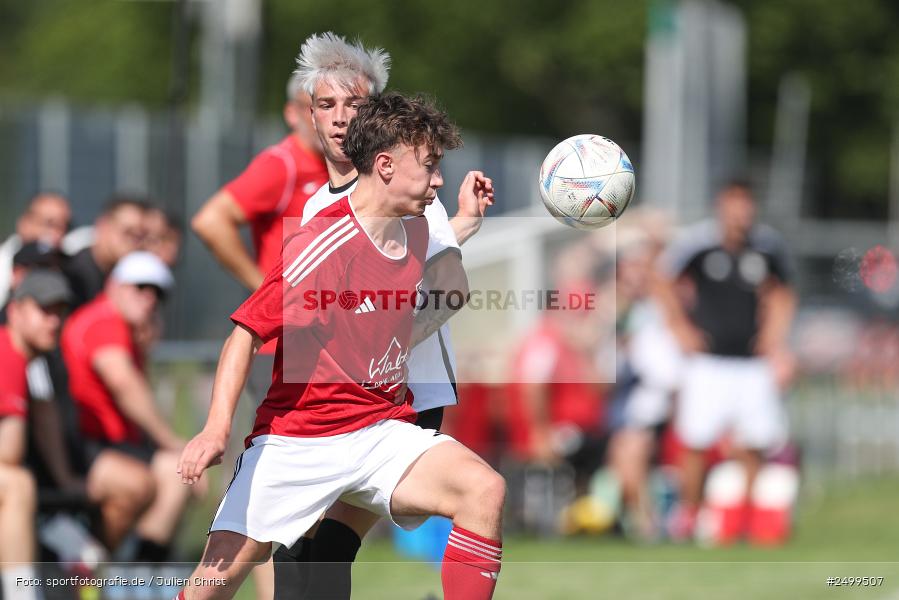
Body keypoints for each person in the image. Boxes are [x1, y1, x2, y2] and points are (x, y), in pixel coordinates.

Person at [176, 92, 504, 600]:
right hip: (300, 443)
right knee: (210, 586)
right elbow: (244, 333)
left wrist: (466, 221)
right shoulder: (322, 244)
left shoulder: (417, 225)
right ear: (386, 165)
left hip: (379, 429)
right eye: (429, 166)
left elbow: (445, 269)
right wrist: (215, 430)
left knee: (483, 489)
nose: (438, 179)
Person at [273, 32, 493, 599]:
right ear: (309, 115)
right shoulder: (318, 206)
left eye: (355, 103)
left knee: (316, 542)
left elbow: (448, 288)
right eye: (327, 104)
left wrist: (382, 347)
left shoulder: (403, 185)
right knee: (305, 544)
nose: (341, 117)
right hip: (342, 401)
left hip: (407, 396)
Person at [655, 179, 796, 540]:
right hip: (708, 362)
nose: (741, 211)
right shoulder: (699, 243)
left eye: (746, 203)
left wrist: (775, 336)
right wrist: (679, 327)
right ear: (721, 205)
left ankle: (745, 518)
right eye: (734, 202)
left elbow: (783, 293)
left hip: (751, 363)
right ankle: (689, 516)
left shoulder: (766, 246)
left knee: (755, 442)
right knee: (696, 442)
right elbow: (662, 280)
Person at [61, 251, 197, 559]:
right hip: (87, 445)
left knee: (179, 474)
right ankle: (88, 567)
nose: (149, 298)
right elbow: (124, 385)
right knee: (146, 480)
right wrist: (170, 441)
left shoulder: (123, 328)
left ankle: (138, 572)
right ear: (115, 285)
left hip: (111, 444)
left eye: (156, 293)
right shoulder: (104, 320)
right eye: (140, 287)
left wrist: (144, 349)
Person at [0, 269, 71, 600]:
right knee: (17, 484)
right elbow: (9, 451)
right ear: (15, 311)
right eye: (44, 310)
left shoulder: (30, 362)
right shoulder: (8, 353)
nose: (54, 321)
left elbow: (44, 418)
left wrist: (66, 480)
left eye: (59, 312)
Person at [63, 196, 148, 309]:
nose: (134, 241)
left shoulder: (123, 275)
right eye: (128, 232)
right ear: (103, 225)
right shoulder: (75, 274)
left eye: (140, 236)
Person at [0, 192, 71, 307]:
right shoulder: (3, 265)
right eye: (49, 224)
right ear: (24, 224)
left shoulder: (71, 267)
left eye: (64, 227)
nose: (57, 234)